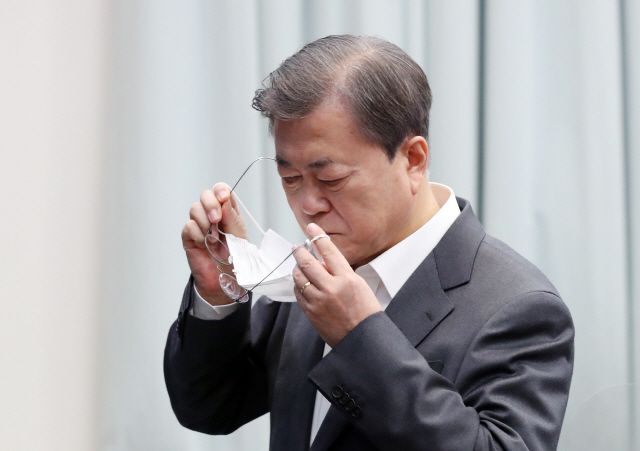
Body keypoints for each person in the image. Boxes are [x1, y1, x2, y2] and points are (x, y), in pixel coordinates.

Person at [164, 35, 574, 451]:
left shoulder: (519, 307)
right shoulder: (312, 271)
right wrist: (219, 292)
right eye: (290, 179)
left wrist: (359, 337)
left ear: (413, 160)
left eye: (331, 179)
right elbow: (209, 407)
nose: (307, 205)